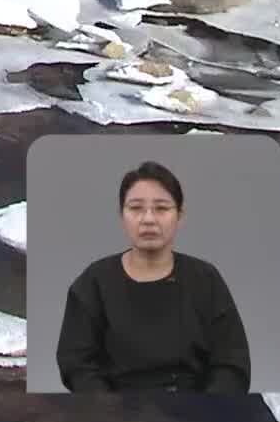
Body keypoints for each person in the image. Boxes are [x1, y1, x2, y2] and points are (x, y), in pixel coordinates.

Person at [55, 160, 252, 392]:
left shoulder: (205, 279)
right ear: (122, 215)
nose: (148, 219)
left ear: (180, 215)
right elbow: (77, 366)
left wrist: (206, 411)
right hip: (115, 415)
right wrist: (112, 412)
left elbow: (232, 363)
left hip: (198, 413)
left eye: (161, 208)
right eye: (136, 208)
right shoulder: (94, 282)